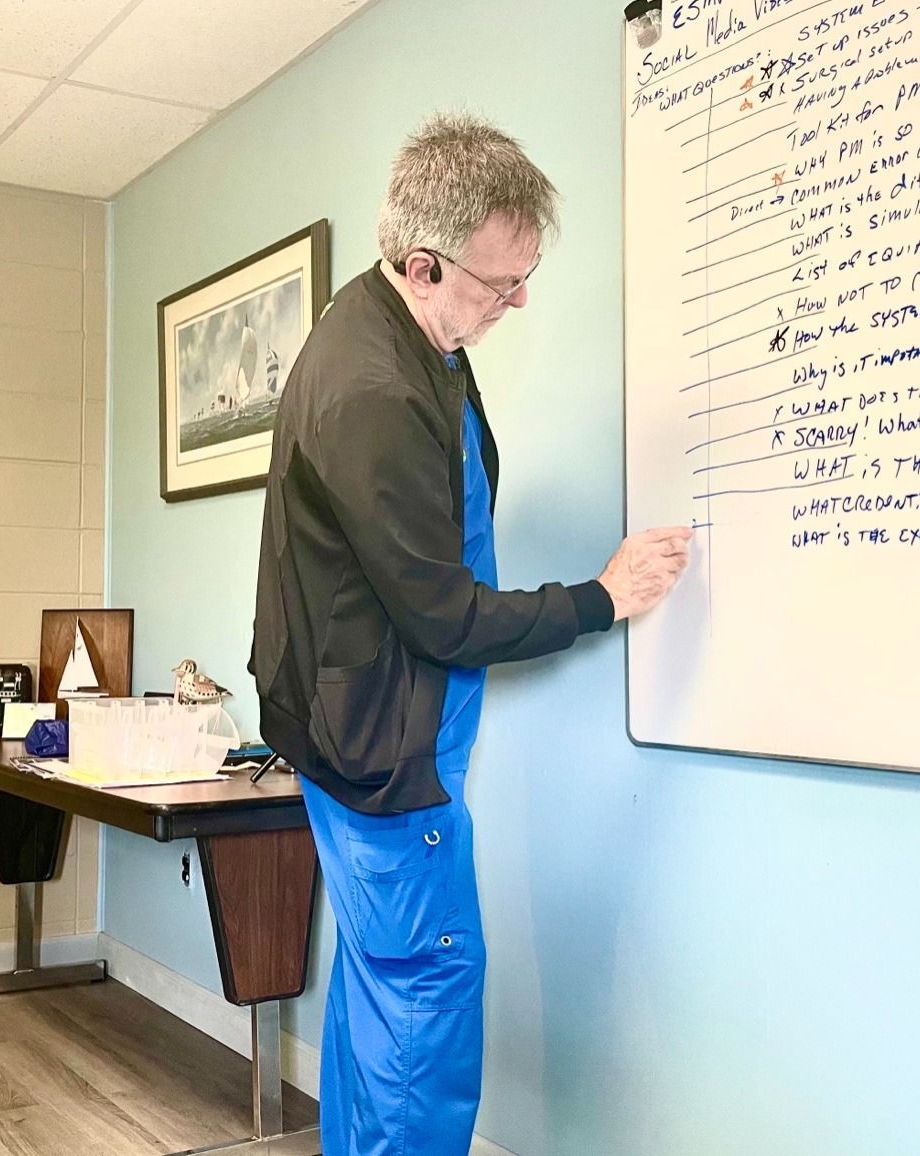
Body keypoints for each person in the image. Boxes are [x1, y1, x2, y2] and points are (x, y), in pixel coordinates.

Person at [249, 114, 692, 1155]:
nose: (519, 299)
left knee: (378, 977)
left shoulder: (400, 327)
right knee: (427, 983)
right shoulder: (369, 387)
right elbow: (443, 615)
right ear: (423, 263)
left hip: (345, 713)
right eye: (502, 282)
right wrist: (602, 595)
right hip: (376, 744)